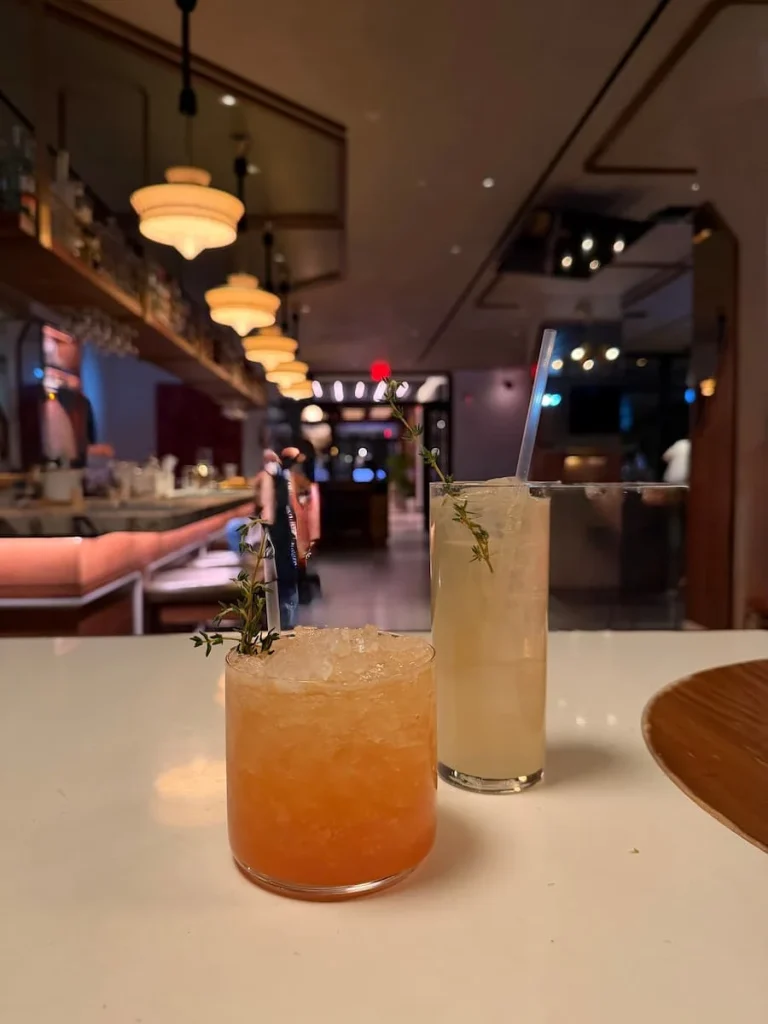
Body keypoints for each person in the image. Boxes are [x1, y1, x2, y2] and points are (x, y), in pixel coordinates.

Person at [227, 450, 299, 630]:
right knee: (282, 583)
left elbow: (267, 510)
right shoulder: (284, 474)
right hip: (281, 535)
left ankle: (269, 623)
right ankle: (282, 623)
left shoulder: (268, 475)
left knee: (232, 529)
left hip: (271, 537)